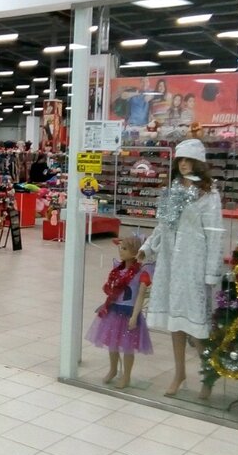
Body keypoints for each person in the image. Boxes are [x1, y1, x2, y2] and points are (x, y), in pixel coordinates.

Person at [138, 138, 224, 396]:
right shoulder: (172, 190)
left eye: (189, 160)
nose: (184, 165)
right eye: (181, 160)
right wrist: (147, 248)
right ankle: (179, 373)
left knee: (197, 327)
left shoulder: (209, 195)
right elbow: (162, 226)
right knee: (175, 323)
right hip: (171, 264)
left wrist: (211, 272)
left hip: (193, 265)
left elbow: (215, 235)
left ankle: (208, 376)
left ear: (198, 162)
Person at [85, 235, 153, 388]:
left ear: (135, 252)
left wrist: (135, 316)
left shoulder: (141, 273)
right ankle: (113, 369)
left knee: (128, 348)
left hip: (129, 313)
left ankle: (126, 376)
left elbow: (140, 297)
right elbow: (113, 291)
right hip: (114, 310)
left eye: (125, 249)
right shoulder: (118, 270)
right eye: (121, 248)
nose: (121, 251)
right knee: (112, 343)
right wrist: (106, 305)